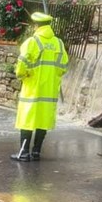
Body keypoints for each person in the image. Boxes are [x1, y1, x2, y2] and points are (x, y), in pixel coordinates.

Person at [11, 12, 68, 161]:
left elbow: (21, 66)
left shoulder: (32, 42)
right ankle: (36, 152)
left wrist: (23, 75)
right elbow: (63, 67)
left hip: (32, 89)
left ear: (36, 25)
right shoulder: (59, 43)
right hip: (49, 91)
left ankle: (24, 153)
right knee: (43, 119)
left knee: (27, 119)